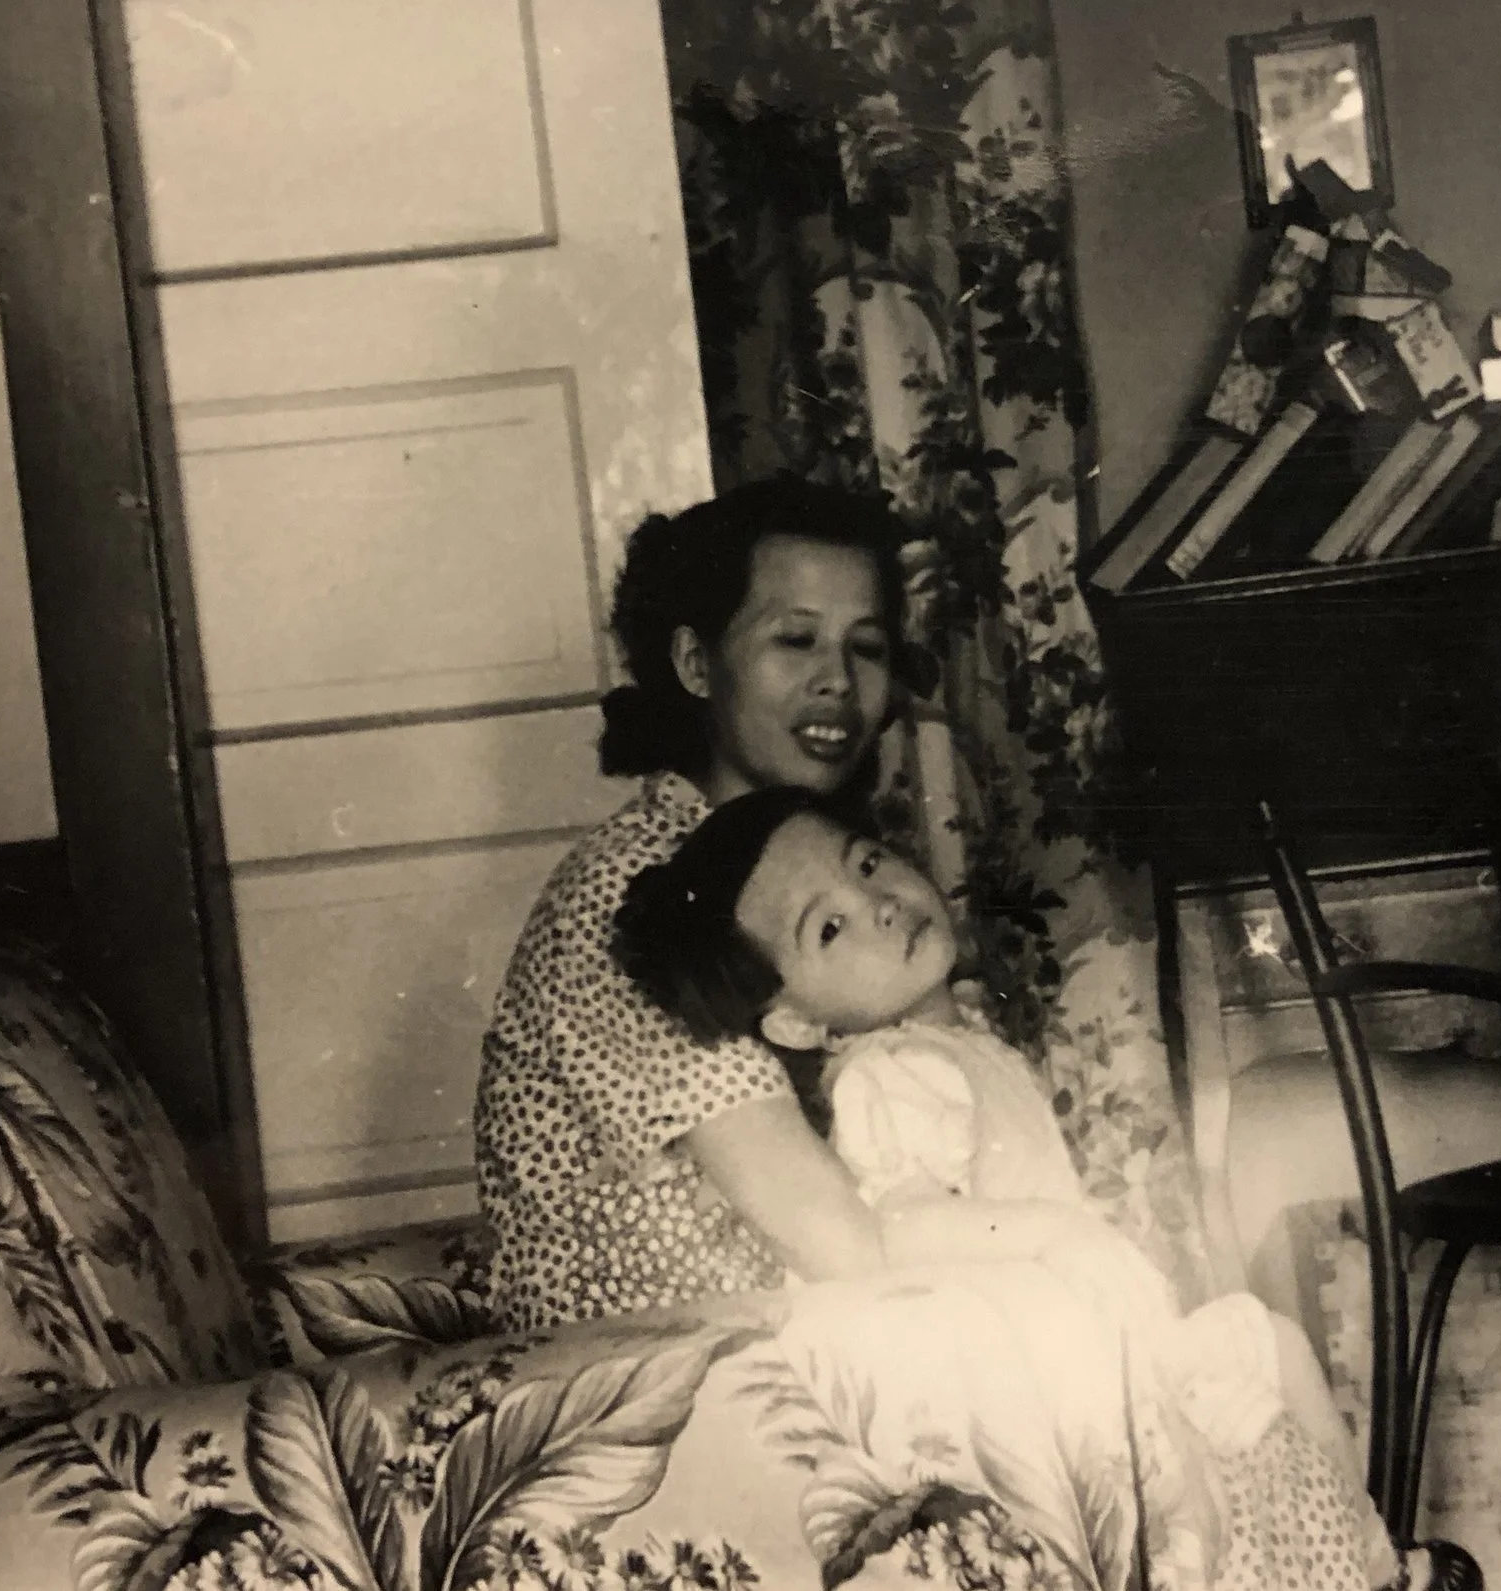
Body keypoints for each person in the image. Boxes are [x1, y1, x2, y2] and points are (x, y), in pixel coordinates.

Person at [612, 785, 1419, 1591]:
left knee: (1263, 1360)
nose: (878, 904)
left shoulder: (955, 1042)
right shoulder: (892, 1074)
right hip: (1047, 1384)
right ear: (792, 1023)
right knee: (1248, 1394)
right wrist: (1054, 1236)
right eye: (830, 927)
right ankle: (1368, 1569)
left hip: (1092, 1353)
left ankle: (1365, 1562)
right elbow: (897, 1224)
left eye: (868, 864)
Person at [471, 476, 1154, 1333]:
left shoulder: (814, 863)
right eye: (796, 640)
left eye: (866, 648)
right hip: (684, 1389)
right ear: (694, 664)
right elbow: (838, 1241)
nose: (838, 680)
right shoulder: (633, 892)